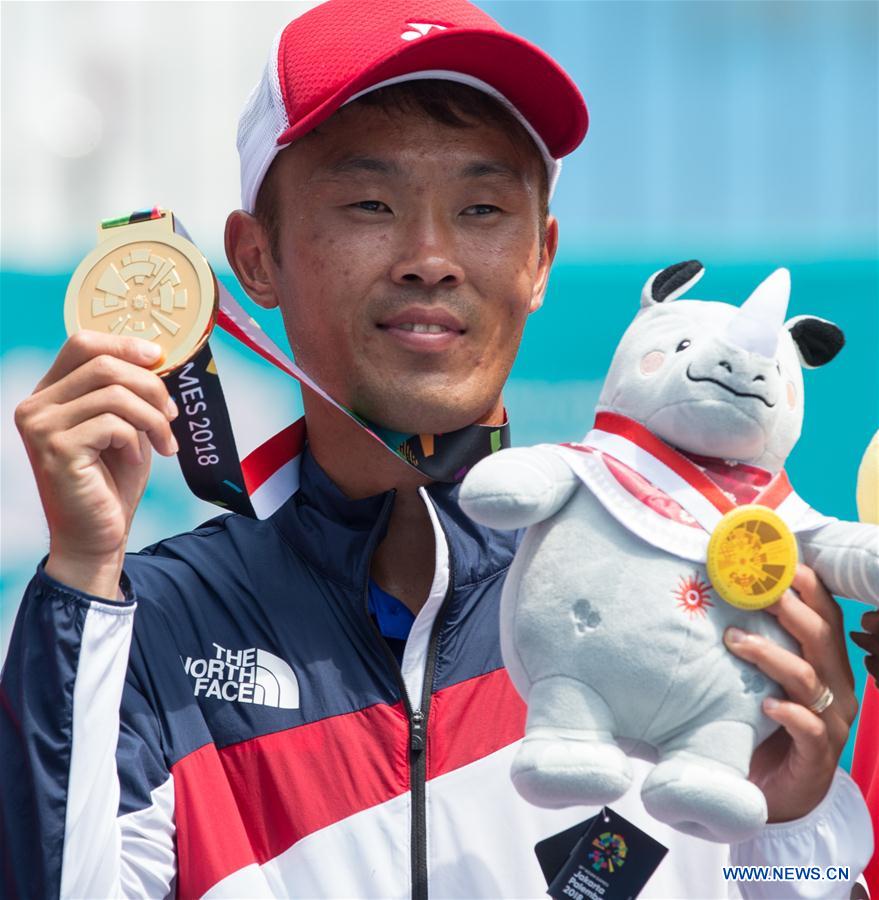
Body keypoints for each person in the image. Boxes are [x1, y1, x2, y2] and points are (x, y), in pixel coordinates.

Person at [2, 0, 875, 897]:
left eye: (481, 206)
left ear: (539, 258)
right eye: (370, 202)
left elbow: (808, 875)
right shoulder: (147, 628)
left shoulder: (716, 594)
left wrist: (793, 826)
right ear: (255, 257)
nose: (430, 256)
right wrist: (80, 574)